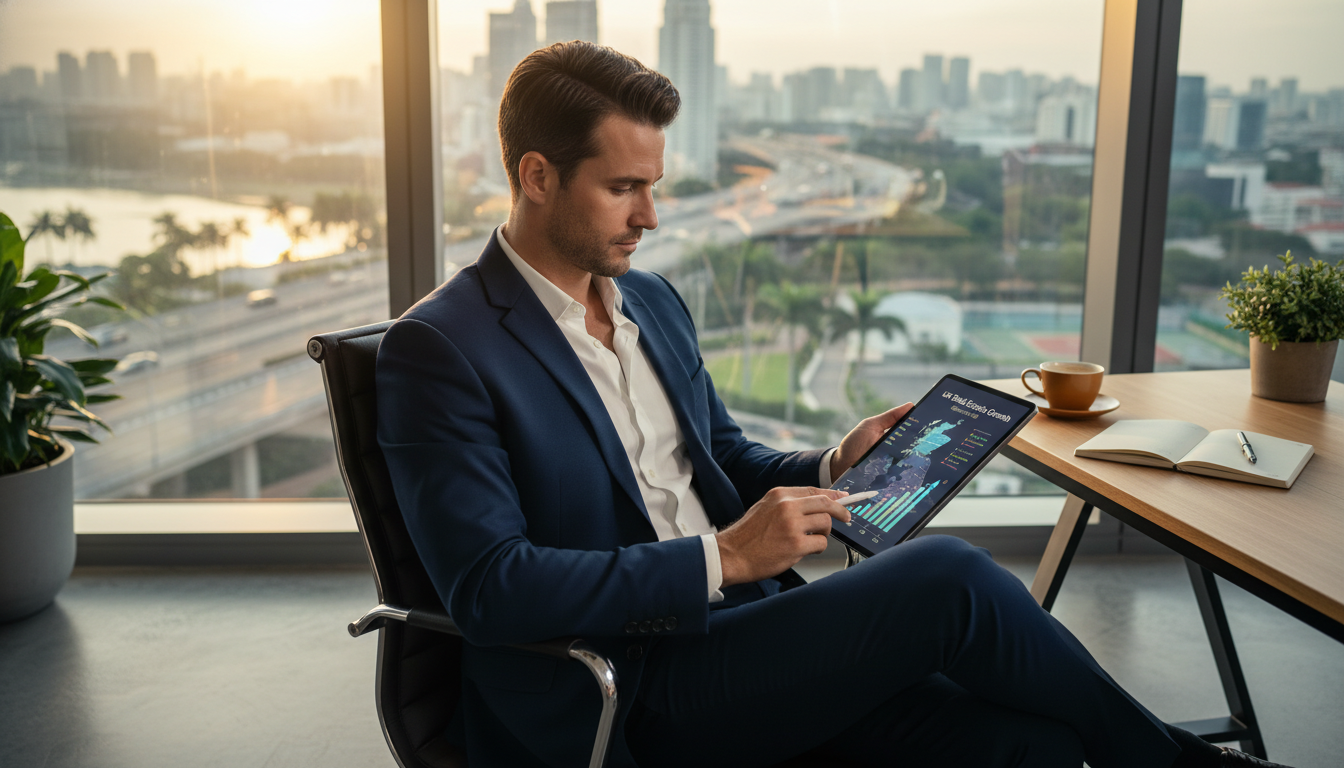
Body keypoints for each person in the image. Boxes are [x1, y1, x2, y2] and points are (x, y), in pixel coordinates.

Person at [376, 41, 1291, 768]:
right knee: (947, 578)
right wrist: (723, 558)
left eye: (655, 184)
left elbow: (720, 461)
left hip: (744, 636)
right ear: (537, 177)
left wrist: (827, 467)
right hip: (622, 680)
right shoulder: (444, 348)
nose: (651, 215)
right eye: (625, 188)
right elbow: (492, 589)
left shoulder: (649, 301)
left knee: (1030, 747)